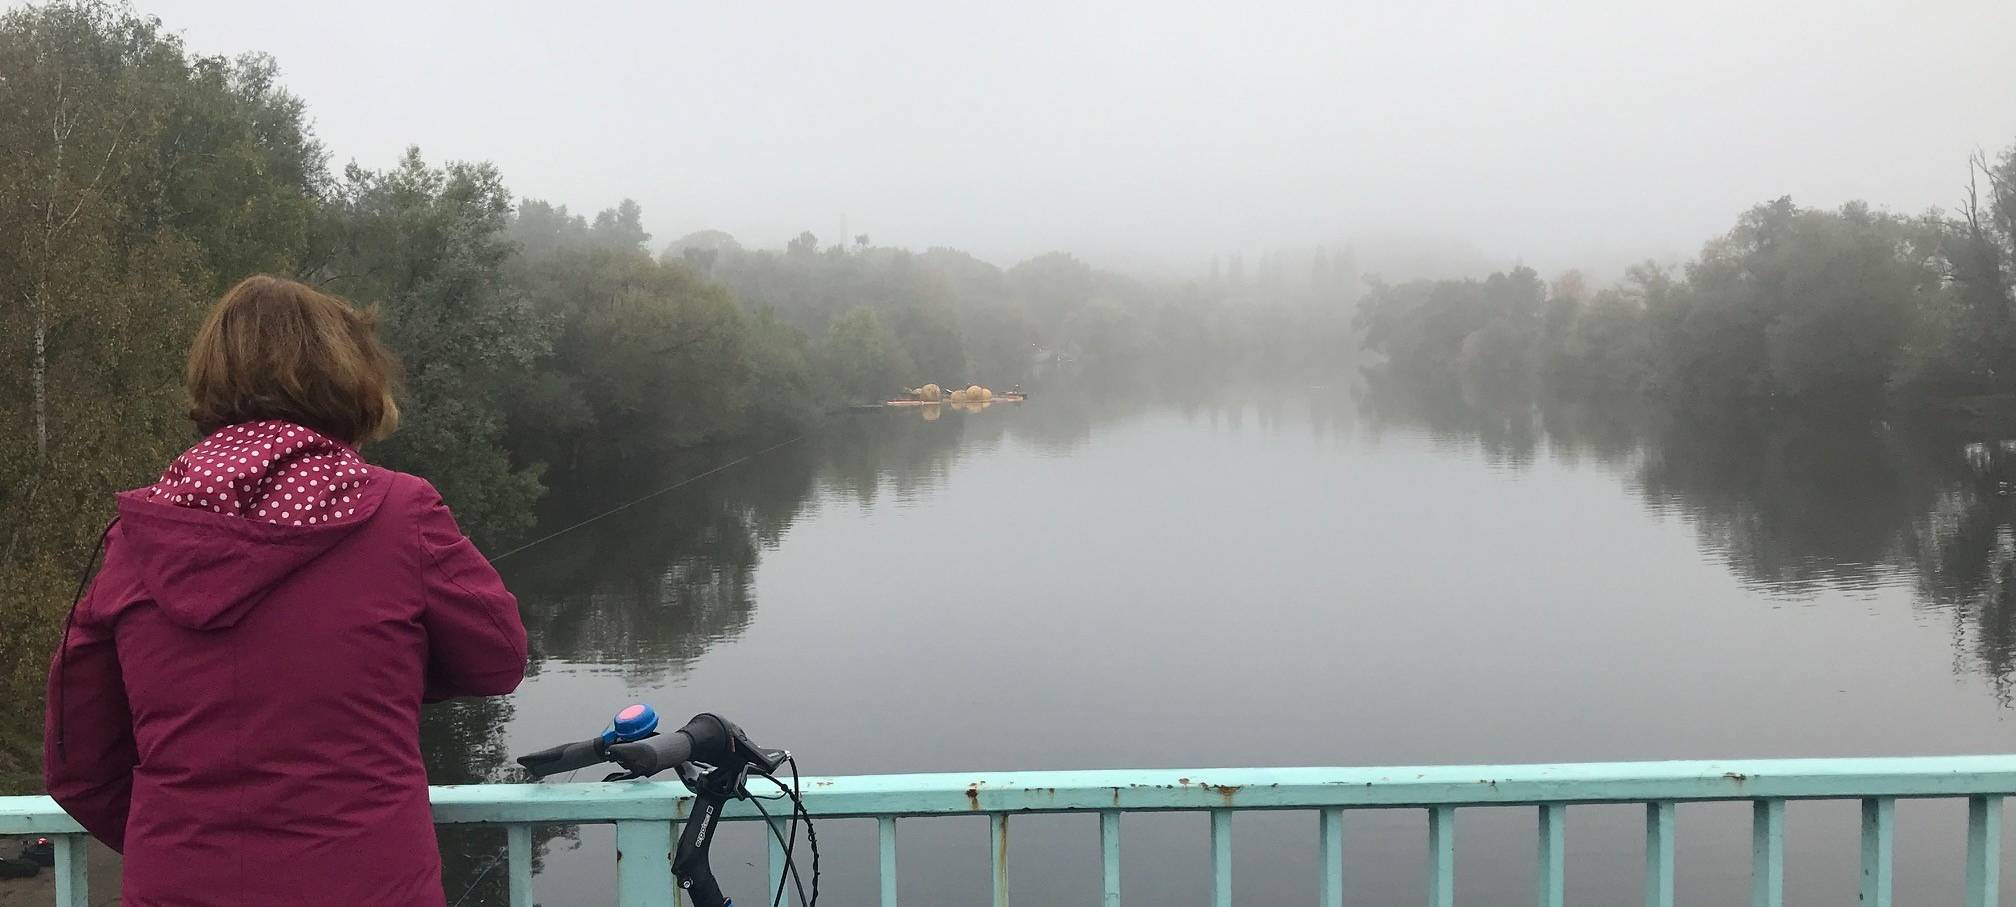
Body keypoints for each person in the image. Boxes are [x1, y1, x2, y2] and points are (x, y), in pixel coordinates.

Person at [43, 275, 528, 906]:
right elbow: (498, 658)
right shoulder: (401, 512)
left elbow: (77, 762)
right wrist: (383, 672)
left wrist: (185, 844)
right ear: (350, 381)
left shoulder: (137, 537)